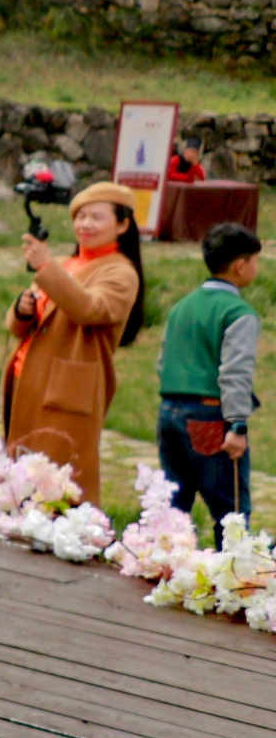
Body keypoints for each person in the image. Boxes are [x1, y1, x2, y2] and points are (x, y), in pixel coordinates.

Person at [1, 182, 147, 505]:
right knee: (22, 475)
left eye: (97, 217)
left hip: (66, 389)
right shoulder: (68, 264)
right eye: (80, 217)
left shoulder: (121, 272)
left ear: (122, 225)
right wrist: (22, 309)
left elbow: (88, 308)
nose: (85, 225)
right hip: (29, 380)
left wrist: (44, 267)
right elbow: (18, 325)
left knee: (61, 483)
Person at [156, 221, 261, 543]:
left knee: (173, 505)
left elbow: (162, 362)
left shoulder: (181, 307)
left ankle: (166, 572)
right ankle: (230, 583)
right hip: (210, 418)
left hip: (169, 412)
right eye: (256, 260)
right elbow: (234, 373)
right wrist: (237, 425)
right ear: (241, 265)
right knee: (231, 512)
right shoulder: (238, 313)